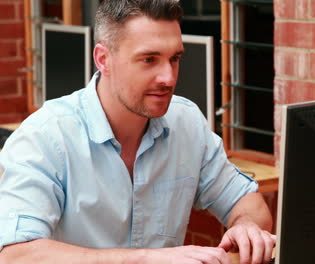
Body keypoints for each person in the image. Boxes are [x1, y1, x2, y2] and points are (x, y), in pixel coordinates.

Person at [0, 0, 275, 263]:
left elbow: (248, 203)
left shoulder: (186, 121)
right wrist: (147, 259)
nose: (168, 77)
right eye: (149, 59)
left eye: (174, 58)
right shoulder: (46, 136)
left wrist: (246, 227)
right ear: (103, 59)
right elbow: (15, 255)